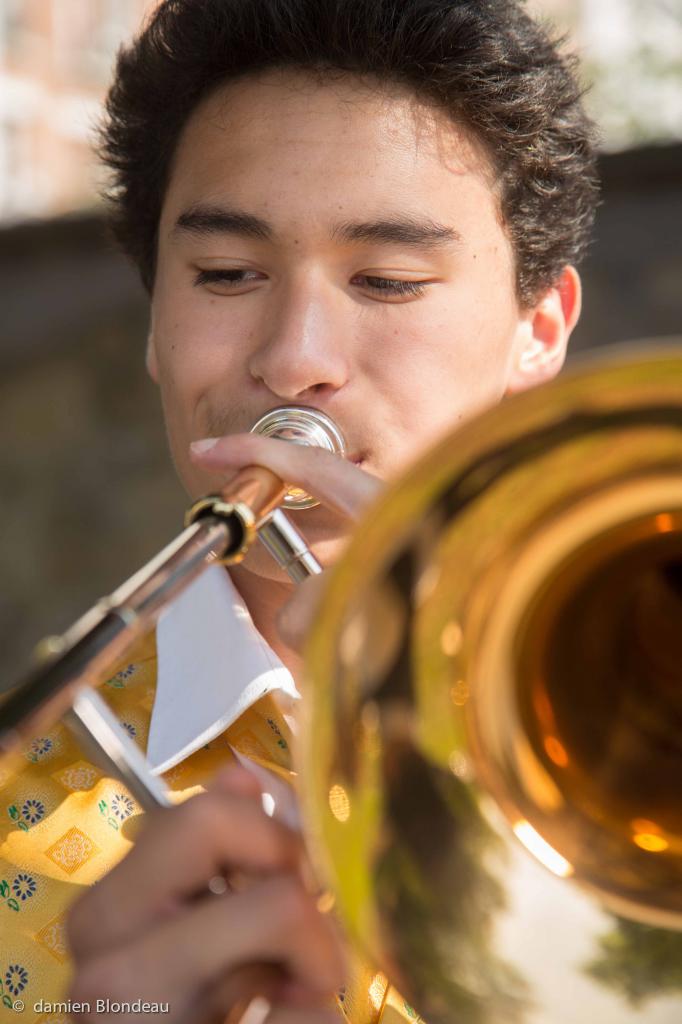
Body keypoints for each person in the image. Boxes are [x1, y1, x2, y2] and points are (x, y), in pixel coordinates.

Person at [0, 1, 598, 1022]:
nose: (294, 358)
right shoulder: (23, 788)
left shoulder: (635, 740)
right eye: (226, 275)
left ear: (536, 332)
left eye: (388, 279)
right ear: (155, 326)